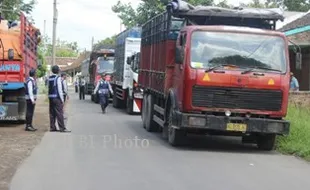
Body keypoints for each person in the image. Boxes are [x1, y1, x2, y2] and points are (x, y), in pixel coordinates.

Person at [48, 65, 70, 132]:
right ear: (58, 71)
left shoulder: (50, 78)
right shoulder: (58, 78)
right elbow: (60, 89)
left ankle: (52, 127)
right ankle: (62, 128)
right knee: (59, 113)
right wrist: (62, 100)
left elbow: (49, 87)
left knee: (52, 113)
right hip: (56, 97)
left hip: (50, 97)